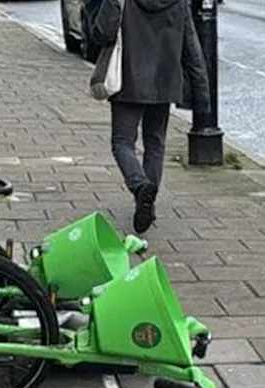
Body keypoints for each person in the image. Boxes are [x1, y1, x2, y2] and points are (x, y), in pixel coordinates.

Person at [89, 0, 210, 234]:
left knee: (122, 142)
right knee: (155, 143)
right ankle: (147, 202)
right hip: (165, 82)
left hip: (128, 80)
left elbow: (101, 33)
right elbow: (192, 51)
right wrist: (202, 96)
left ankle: (140, 186)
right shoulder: (179, 3)